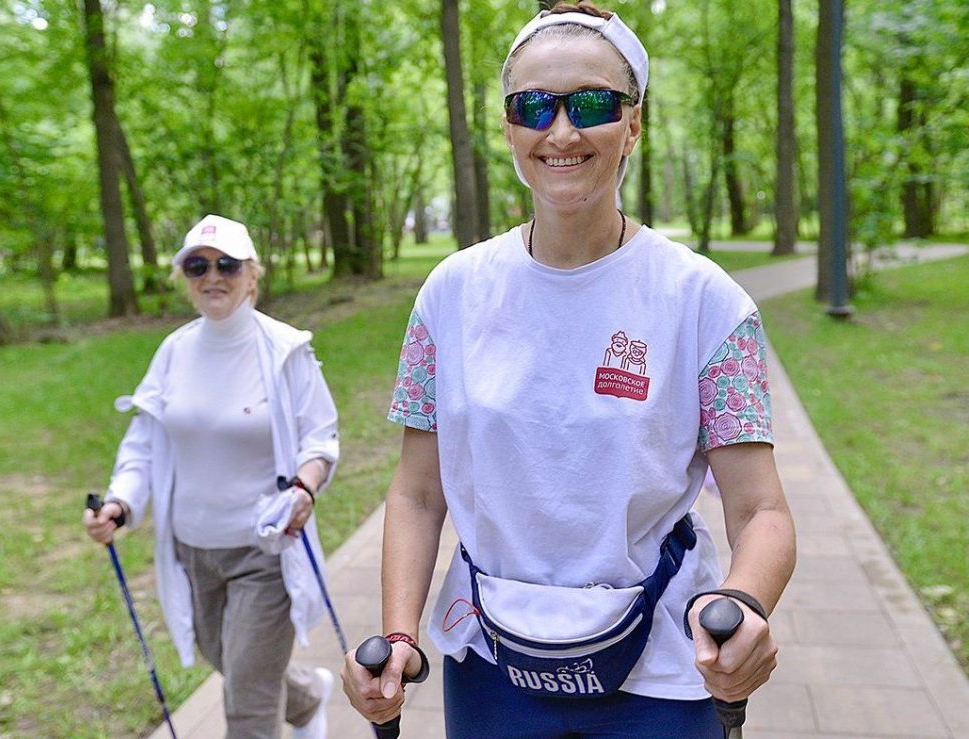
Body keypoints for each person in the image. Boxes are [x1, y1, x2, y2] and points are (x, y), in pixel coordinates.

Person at [341, 3, 796, 737]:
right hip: (492, 666)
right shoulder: (448, 296)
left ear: (634, 124)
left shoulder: (708, 301)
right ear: (508, 127)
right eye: (533, 107)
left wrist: (745, 602)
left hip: (661, 668)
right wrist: (398, 635)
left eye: (591, 104)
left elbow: (761, 510)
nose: (561, 131)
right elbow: (418, 492)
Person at [83, 214, 340, 739]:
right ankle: (308, 698)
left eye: (227, 264)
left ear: (252, 275)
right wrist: (120, 504)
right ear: (183, 277)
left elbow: (321, 439)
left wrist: (306, 487)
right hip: (193, 550)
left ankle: (291, 706)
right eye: (197, 266)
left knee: (246, 703)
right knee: (226, 657)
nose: (213, 276)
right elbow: (143, 445)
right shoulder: (174, 351)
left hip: (263, 549)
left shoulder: (286, 348)